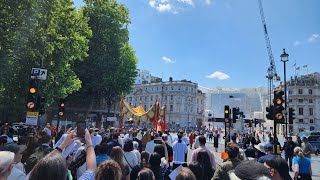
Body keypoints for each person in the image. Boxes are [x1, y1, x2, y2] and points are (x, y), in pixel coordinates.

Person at [29, 128, 97, 180]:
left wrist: (62, 145)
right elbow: (91, 169)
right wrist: (89, 142)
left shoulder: (31, 176)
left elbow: (37, 168)